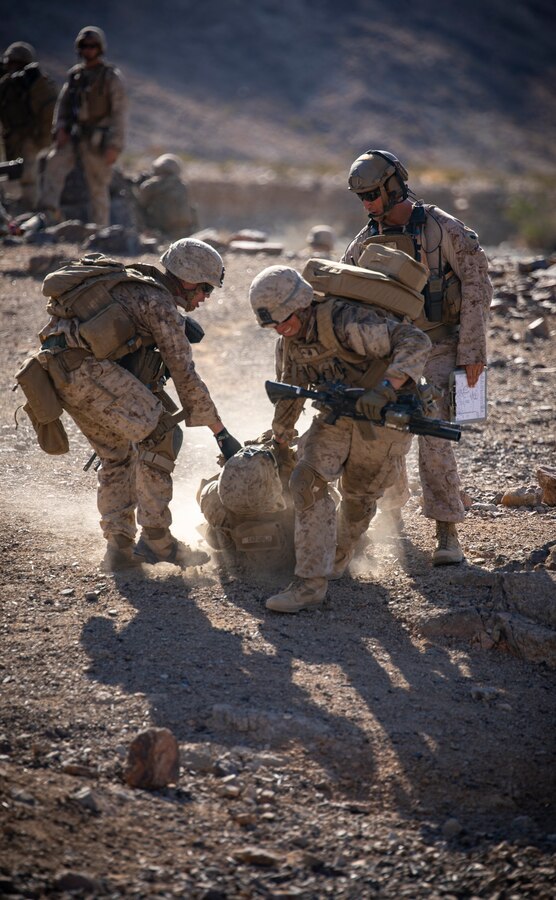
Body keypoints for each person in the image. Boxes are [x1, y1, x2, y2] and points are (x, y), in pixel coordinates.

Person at [36, 238, 241, 572]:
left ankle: (120, 550)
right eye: (205, 289)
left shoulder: (136, 286)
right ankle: (157, 539)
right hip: (86, 370)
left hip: (60, 373)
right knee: (161, 435)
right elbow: (185, 375)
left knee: (117, 455)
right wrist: (221, 434)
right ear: (187, 281)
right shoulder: (158, 303)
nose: (205, 298)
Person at [249, 264, 431, 613]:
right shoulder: (289, 342)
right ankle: (309, 585)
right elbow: (291, 390)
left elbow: (415, 341)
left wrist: (385, 388)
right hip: (334, 419)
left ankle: (341, 552)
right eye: (272, 325)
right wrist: (281, 436)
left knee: (358, 500)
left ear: (301, 305)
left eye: (284, 321)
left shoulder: (347, 322)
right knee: (306, 481)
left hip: (382, 421)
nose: (280, 330)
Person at [342, 149, 492, 565]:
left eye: (373, 194)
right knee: (380, 431)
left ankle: (447, 531)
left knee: (433, 431)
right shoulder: (365, 241)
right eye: (362, 198)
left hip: (441, 346)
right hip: (393, 352)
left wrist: (472, 353)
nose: (368, 204)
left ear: (393, 186)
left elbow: (477, 288)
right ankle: (388, 516)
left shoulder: (443, 229)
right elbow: (343, 293)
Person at [37, 26, 126, 228]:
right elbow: (63, 105)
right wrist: (60, 129)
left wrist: (115, 145)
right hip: (74, 134)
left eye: (92, 46)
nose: (88, 50)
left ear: (100, 48)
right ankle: (47, 218)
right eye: (84, 46)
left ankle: (101, 231)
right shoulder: (75, 76)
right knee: (54, 165)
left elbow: (120, 113)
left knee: (98, 185)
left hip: (98, 139)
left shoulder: (109, 77)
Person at [0, 42, 57, 210]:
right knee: (20, 176)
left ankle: (32, 211)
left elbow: (48, 110)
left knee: (29, 178)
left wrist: (43, 139)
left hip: (31, 137)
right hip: (16, 138)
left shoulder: (36, 83)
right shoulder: (7, 85)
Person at [134, 154, 198, 239]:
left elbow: (139, 206)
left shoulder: (151, 185)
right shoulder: (183, 185)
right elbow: (192, 210)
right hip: (186, 232)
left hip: (161, 231)